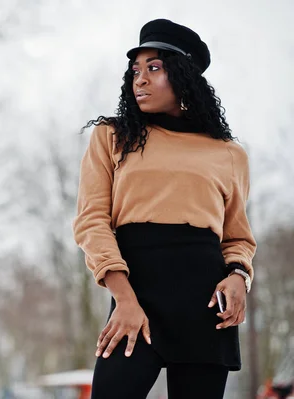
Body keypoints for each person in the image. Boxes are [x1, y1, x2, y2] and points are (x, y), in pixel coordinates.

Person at [72, 19, 257, 399]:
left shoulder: (229, 154)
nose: (140, 79)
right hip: (135, 295)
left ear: (184, 75)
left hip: (206, 307)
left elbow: (237, 237)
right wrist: (124, 299)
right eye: (135, 70)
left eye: (154, 68)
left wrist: (238, 277)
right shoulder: (112, 137)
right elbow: (91, 222)